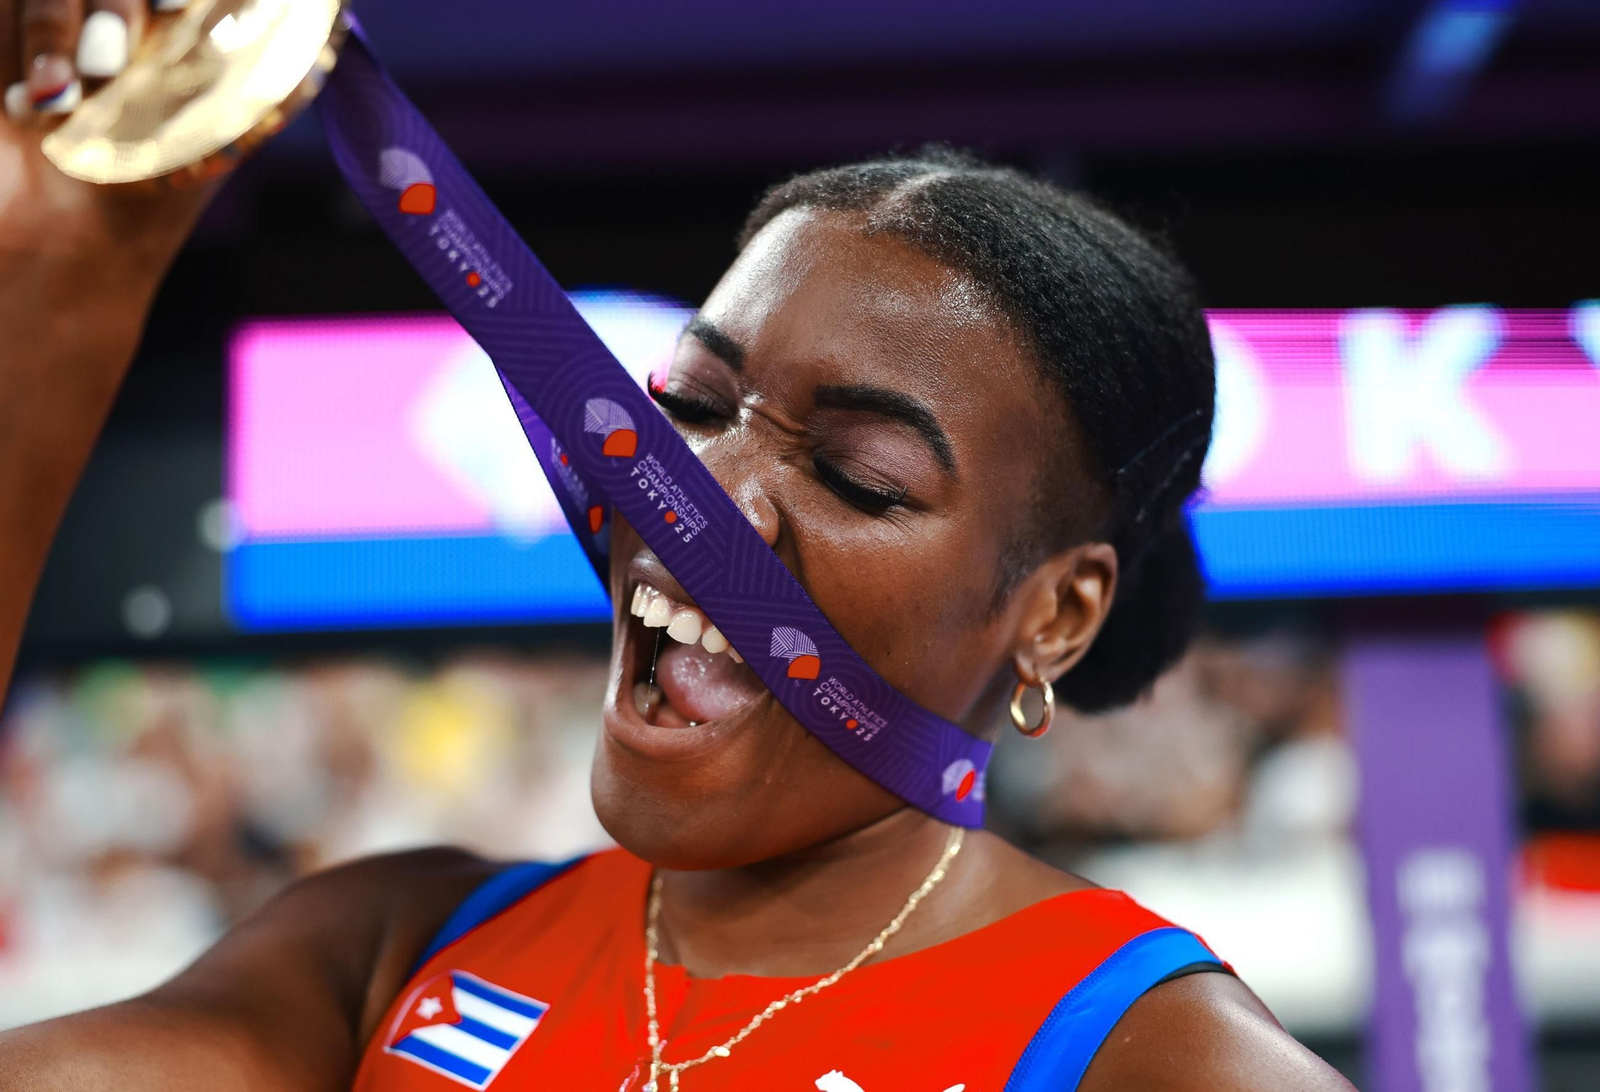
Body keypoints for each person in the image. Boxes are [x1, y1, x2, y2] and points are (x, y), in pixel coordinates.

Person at [0, 5, 1354, 1089]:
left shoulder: (1152, 1059)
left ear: (1057, 614)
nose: (709, 498)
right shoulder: (385, 951)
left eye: (856, 476)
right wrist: (68, 256)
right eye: (690, 411)